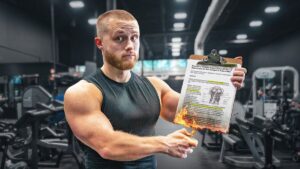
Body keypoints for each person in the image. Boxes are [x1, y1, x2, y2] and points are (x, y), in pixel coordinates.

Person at [64, 9, 246, 169]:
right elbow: (107, 146)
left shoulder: (154, 85)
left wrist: (226, 86)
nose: (129, 45)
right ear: (99, 43)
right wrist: (164, 143)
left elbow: (198, 112)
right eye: (120, 38)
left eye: (134, 38)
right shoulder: (83, 93)